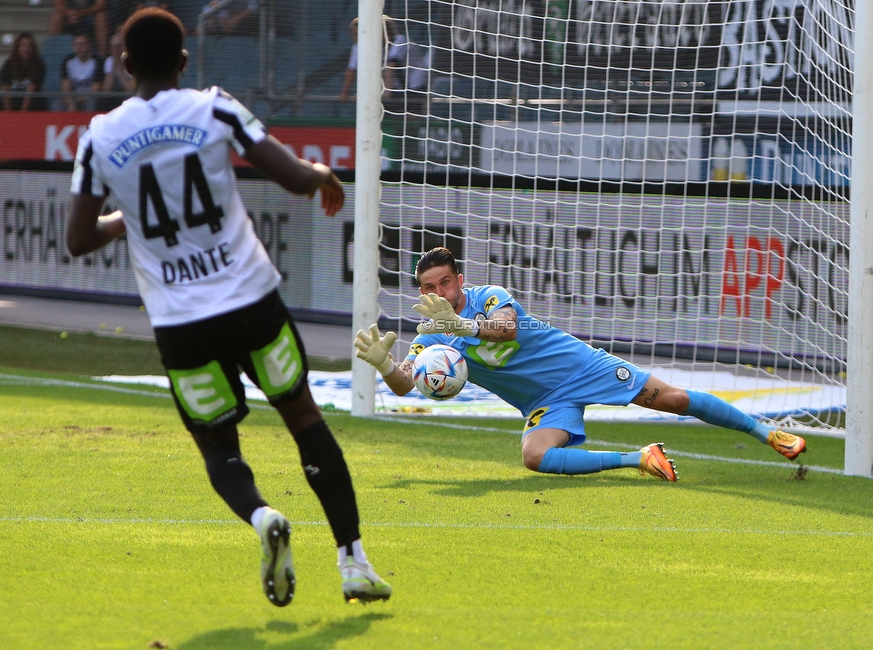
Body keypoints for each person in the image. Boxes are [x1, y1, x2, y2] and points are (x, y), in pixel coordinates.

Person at [65, 8, 391, 605]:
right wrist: (323, 175)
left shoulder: (99, 136)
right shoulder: (214, 106)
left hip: (179, 322)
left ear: (124, 64)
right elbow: (292, 177)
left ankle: (263, 516)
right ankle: (353, 562)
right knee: (304, 419)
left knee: (218, 448)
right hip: (250, 299)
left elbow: (79, 239)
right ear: (184, 61)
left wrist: (127, 220)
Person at [355, 247, 807, 481]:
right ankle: (639, 458)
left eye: (446, 282)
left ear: (460, 280)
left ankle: (768, 433)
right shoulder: (431, 336)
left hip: (580, 367)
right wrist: (383, 366)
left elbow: (506, 328)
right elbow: (405, 386)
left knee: (673, 398)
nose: (439, 292)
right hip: (544, 402)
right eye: (429, 287)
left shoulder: (489, 296)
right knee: (534, 456)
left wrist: (463, 326)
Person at [57, 33, 104, 111]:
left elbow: (96, 89)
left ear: (89, 45)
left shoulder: (98, 61)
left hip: (90, 98)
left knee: (91, 103)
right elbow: (65, 89)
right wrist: (71, 103)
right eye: (76, 44)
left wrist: (79, 99)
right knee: (57, 105)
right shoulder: (67, 61)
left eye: (83, 44)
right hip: (73, 99)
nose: (79, 47)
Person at [0, 33, 47, 111]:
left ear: (33, 48)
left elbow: (31, 89)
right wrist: (8, 114)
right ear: (18, 48)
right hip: (13, 98)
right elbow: (6, 89)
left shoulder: (39, 64)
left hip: (30, 99)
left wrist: (22, 115)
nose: (26, 48)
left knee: (39, 101)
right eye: (23, 45)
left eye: (29, 45)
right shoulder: (9, 64)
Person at [98, 31, 133, 110]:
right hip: (114, 97)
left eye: (119, 46)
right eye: (113, 47)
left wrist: (120, 68)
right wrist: (113, 67)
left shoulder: (132, 61)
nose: (116, 50)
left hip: (129, 97)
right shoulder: (109, 61)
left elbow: (131, 90)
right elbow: (106, 90)